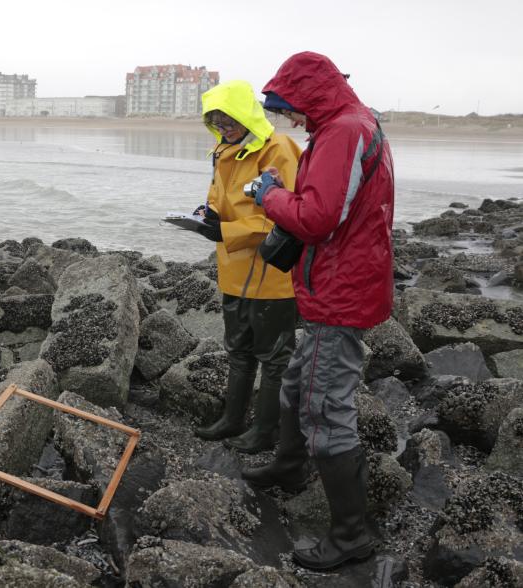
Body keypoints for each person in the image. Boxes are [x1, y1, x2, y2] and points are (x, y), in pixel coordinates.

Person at [241, 52, 395, 570]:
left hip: (340, 291)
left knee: (326, 408)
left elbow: (318, 218)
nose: (293, 123)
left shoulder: (343, 132)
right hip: (339, 284)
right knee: (296, 384)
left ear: (310, 98)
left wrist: (271, 196)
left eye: (292, 112)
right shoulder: (350, 123)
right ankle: (289, 468)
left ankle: (351, 537)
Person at [190, 80, 301, 454]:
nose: (223, 126)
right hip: (234, 270)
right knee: (237, 350)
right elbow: (218, 198)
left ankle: (265, 431)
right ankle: (232, 419)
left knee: (274, 358)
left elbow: (286, 216)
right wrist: (207, 216)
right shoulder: (223, 151)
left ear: (245, 114)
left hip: (273, 274)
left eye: (228, 119)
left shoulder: (279, 149)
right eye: (216, 120)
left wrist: (225, 230)